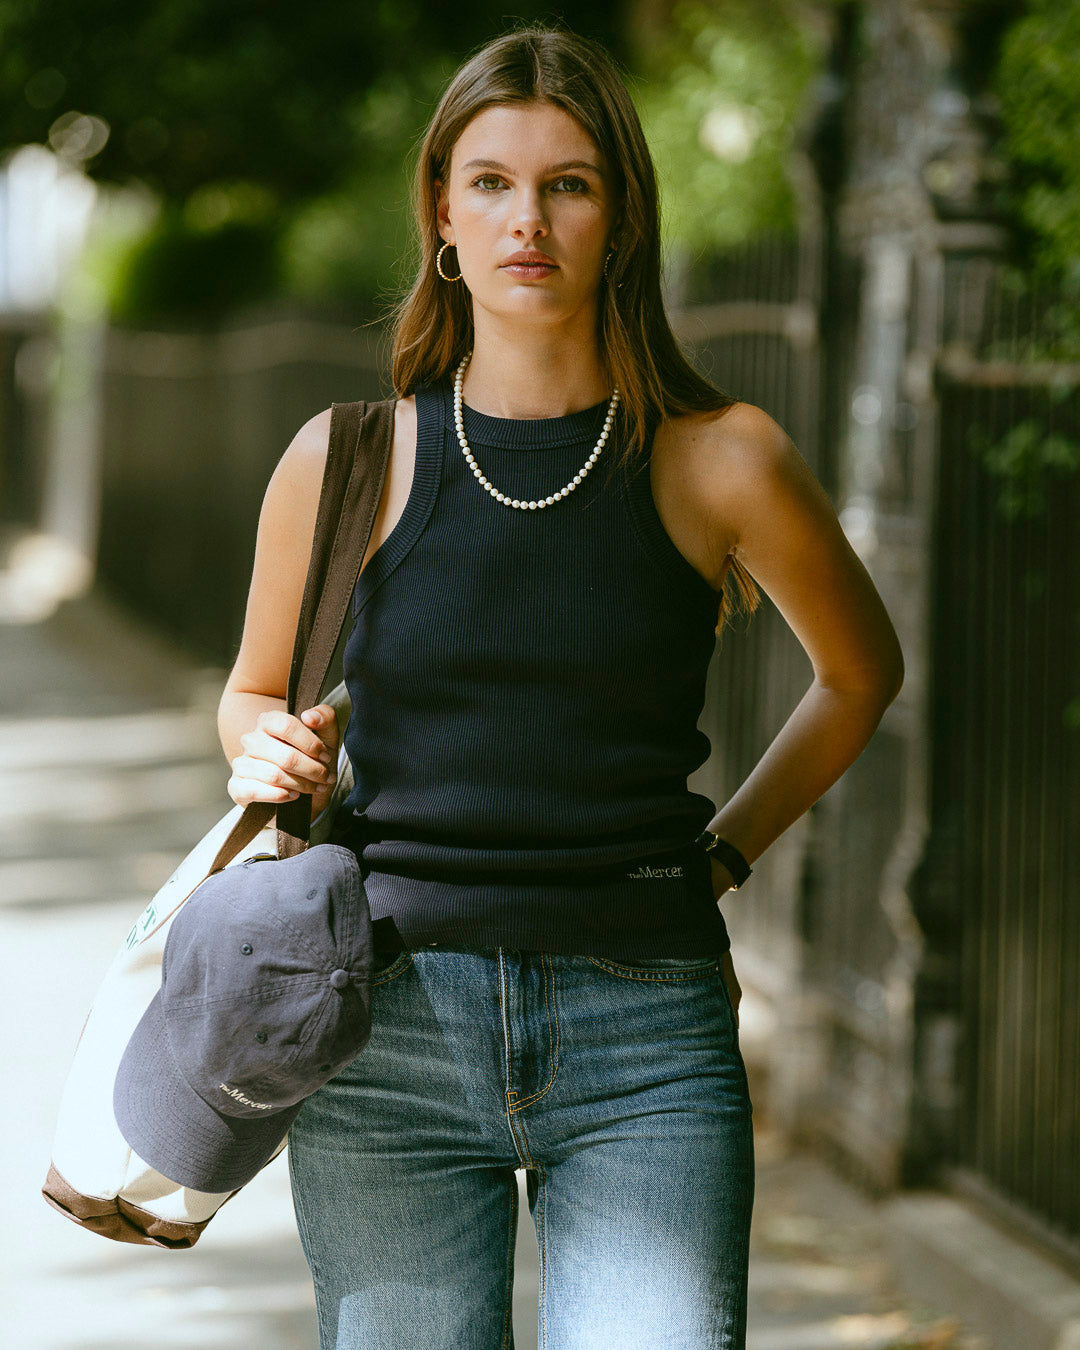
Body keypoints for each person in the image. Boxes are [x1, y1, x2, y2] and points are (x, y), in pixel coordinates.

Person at [216, 22, 904, 1350]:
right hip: (386, 1026)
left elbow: (860, 674)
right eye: (491, 181)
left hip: (644, 1031)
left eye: (569, 183)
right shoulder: (346, 460)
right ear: (442, 215)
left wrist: (729, 853)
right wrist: (261, 749)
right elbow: (248, 690)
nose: (527, 218)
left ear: (620, 216)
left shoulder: (721, 460)